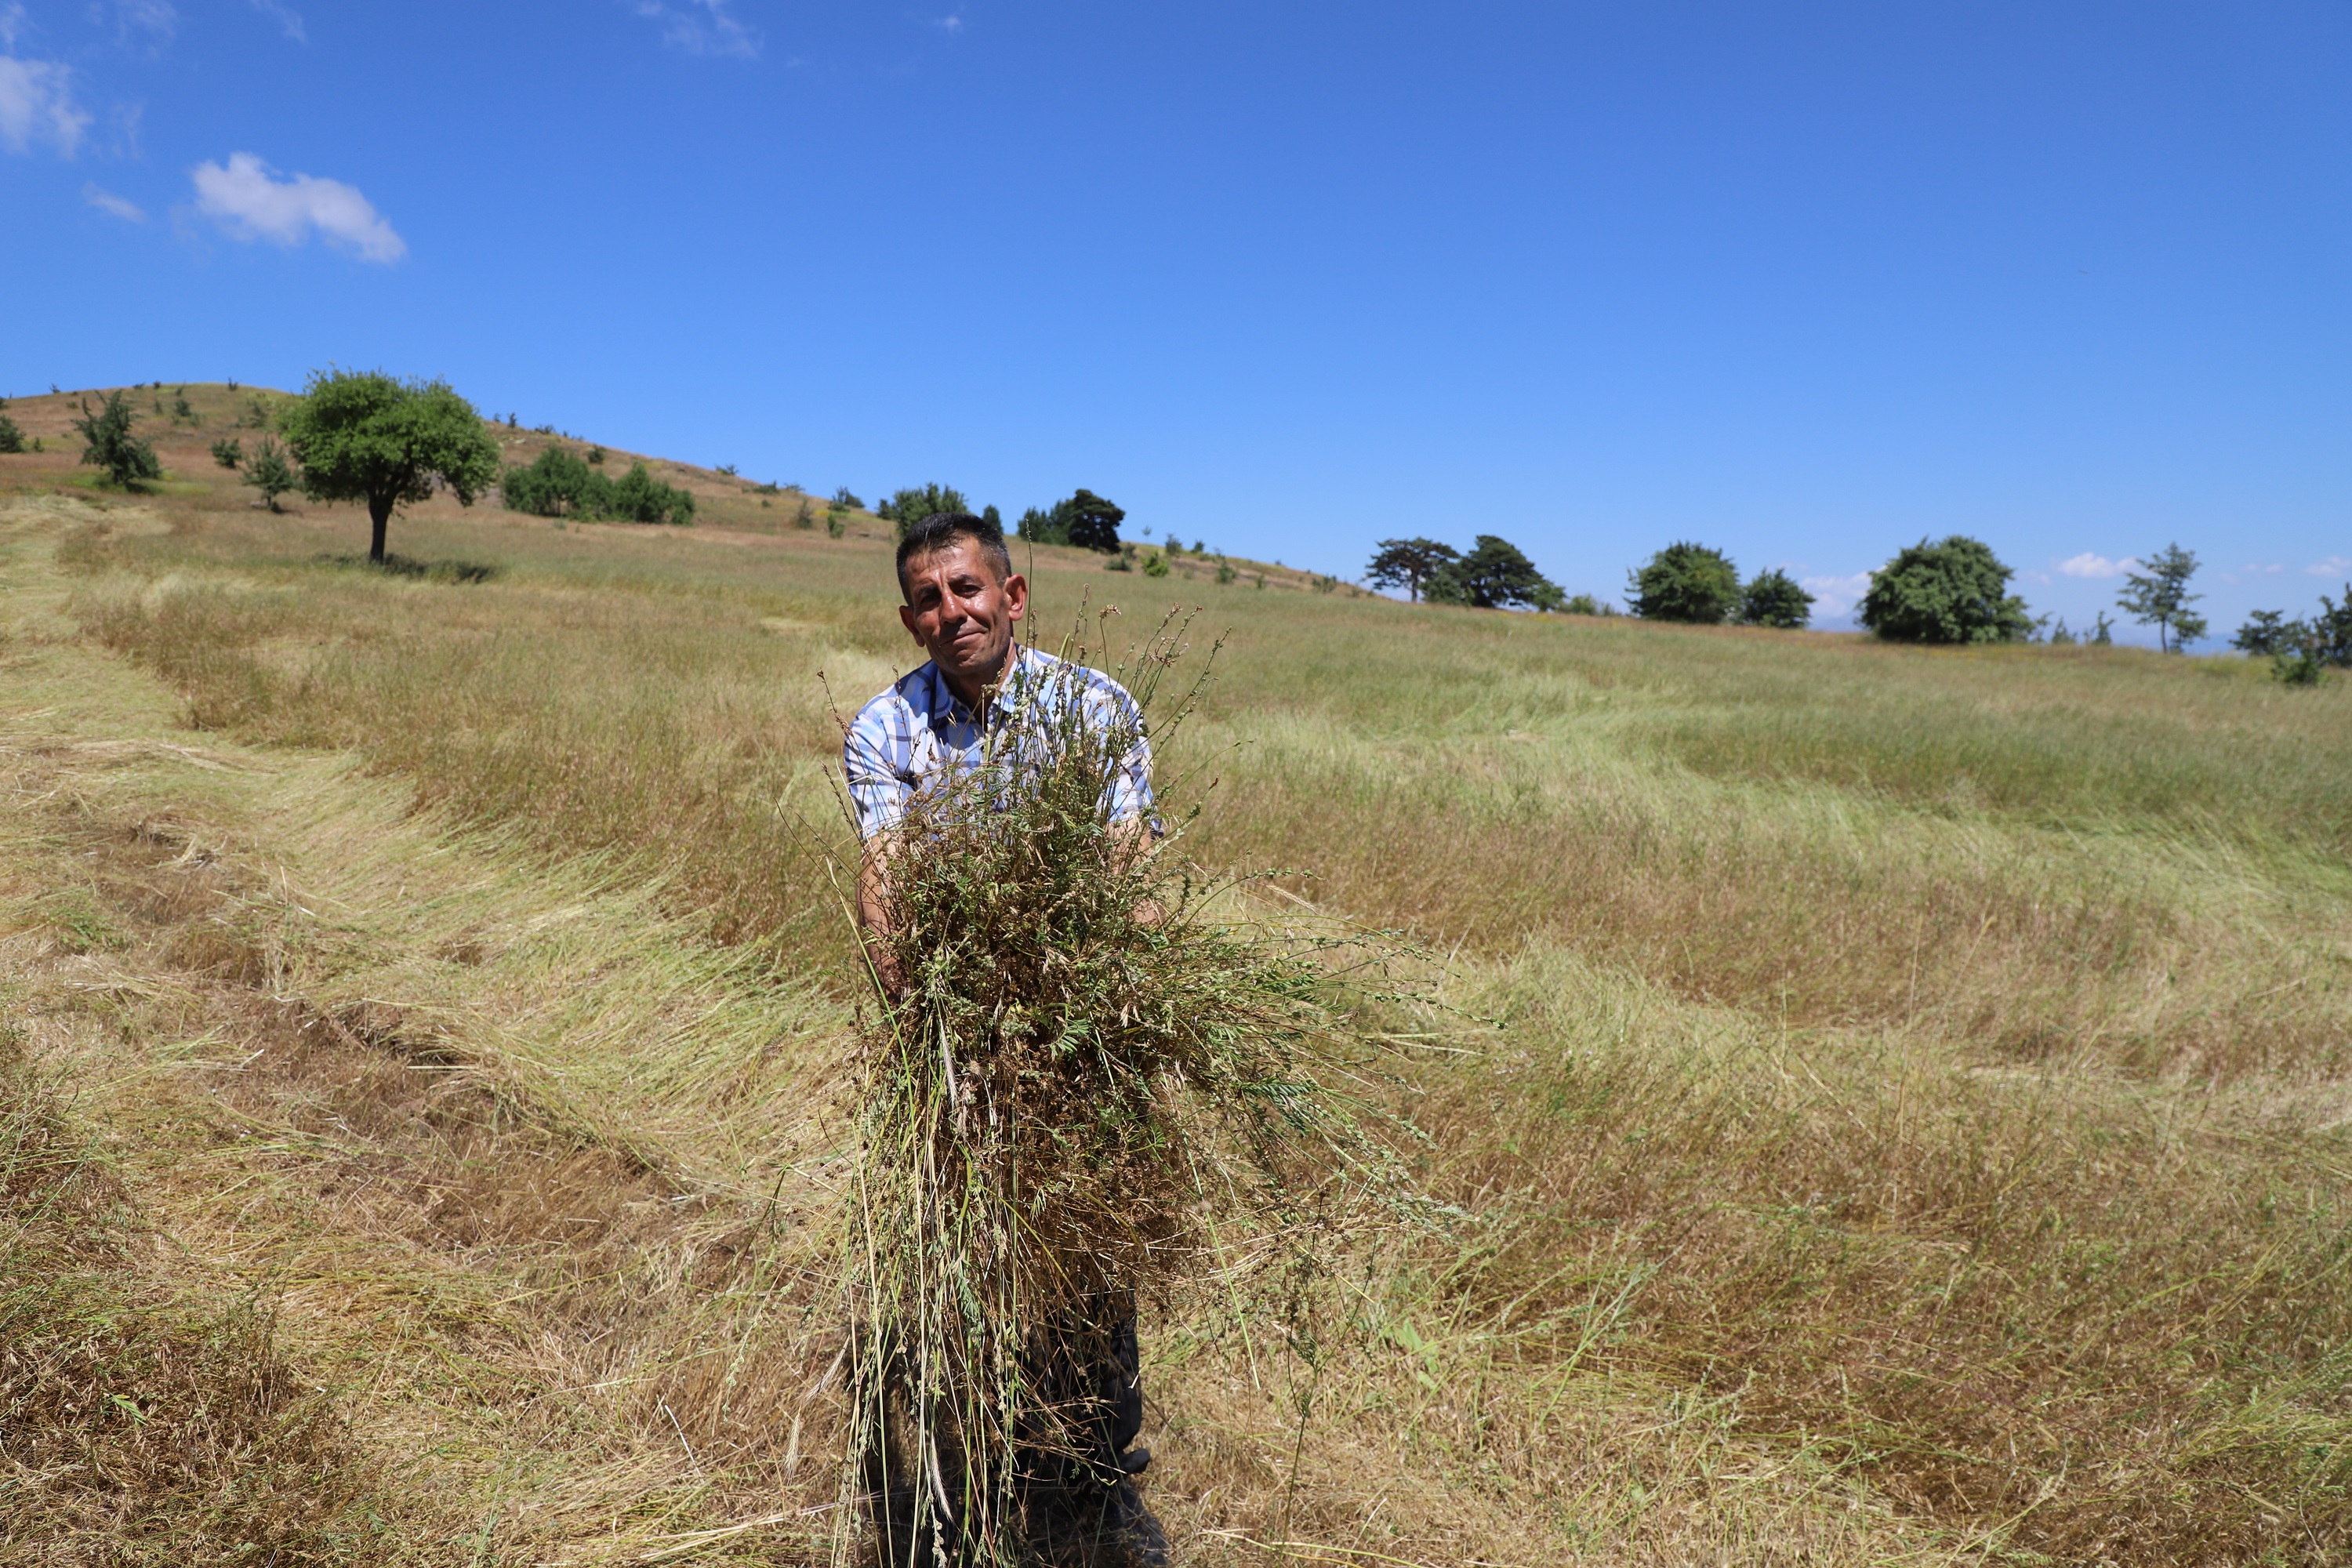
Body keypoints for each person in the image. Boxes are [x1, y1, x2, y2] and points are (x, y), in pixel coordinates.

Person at [843, 510, 1169, 1568]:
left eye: (968, 591)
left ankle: (1100, 1489)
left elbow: (1130, 873)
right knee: (976, 1253)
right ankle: (980, 1472)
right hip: (959, 1034)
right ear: (910, 618)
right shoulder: (885, 730)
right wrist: (920, 1035)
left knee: (1085, 1256)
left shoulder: (1093, 708)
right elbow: (885, 885)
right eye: (930, 601)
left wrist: (1112, 1030)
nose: (952, 614)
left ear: (1013, 595)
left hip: (1077, 1031)